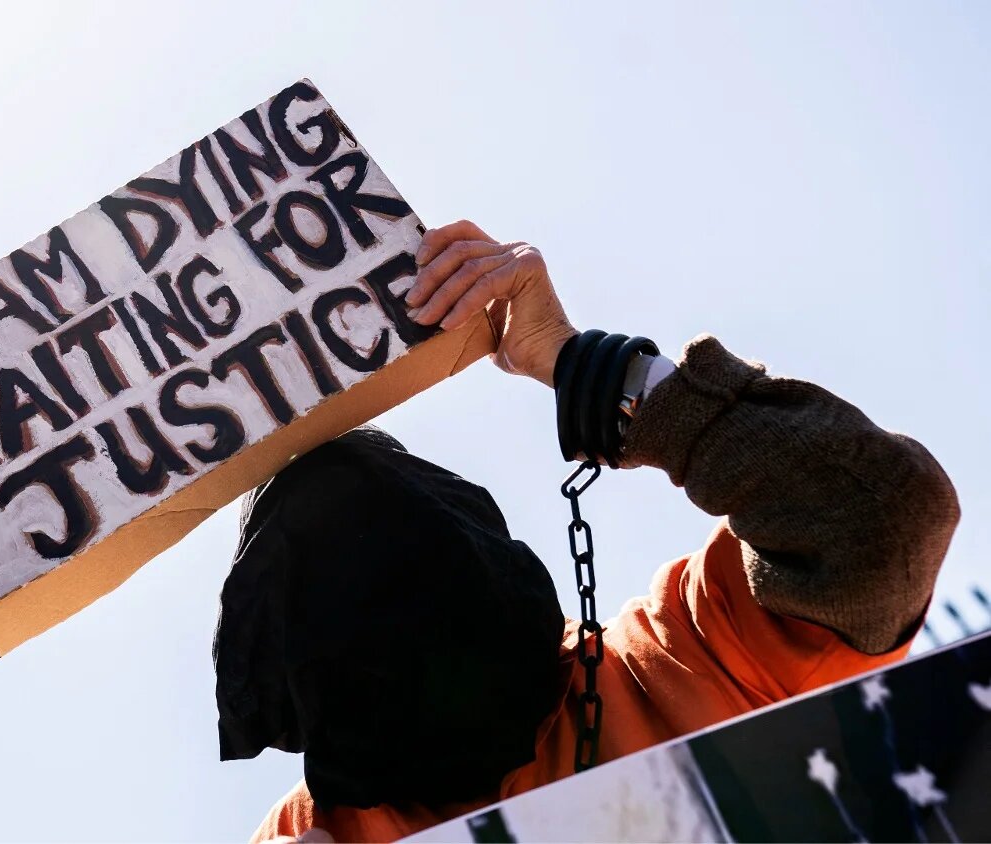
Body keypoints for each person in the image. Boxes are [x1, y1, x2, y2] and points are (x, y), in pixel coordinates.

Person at [213, 220, 961, 844]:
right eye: (342, 602)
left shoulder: (679, 658)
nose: (390, 608)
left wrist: (583, 364)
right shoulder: (312, 833)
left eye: (411, 567)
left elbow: (883, 522)